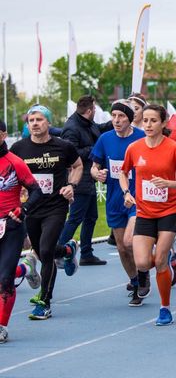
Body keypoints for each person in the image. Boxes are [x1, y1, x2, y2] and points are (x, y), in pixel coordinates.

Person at [10, 105, 83, 319]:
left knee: (46, 250)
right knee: (43, 253)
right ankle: (68, 250)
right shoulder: (19, 148)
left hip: (56, 206)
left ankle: (45, 302)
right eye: (31, 120)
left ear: (48, 122)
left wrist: (71, 186)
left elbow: (78, 166)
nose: (35, 123)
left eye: (39, 119)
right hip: (31, 208)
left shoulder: (63, 146)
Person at [120, 104, 176, 325]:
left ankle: (165, 308)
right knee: (143, 263)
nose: (148, 125)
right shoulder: (134, 148)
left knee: (160, 260)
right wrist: (126, 192)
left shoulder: (175, 149)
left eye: (153, 120)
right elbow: (123, 173)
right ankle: (168, 263)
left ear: (163, 123)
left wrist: (169, 184)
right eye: (145, 120)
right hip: (144, 212)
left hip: (169, 210)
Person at [90, 100, 147, 306]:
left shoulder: (141, 138)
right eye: (113, 116)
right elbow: (94, 167)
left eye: (121, 116)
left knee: (131, 242)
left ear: (129, 119)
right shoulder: (105, 139)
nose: (116, 120)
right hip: (115, 200)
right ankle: (135, 281)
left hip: (137, 198)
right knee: (122, 247)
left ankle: (143, 275)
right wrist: (97, 174)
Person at [0, 119, 43, 342]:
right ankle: (26, 269)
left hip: (10, 226)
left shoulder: (14, 162)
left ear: (3, 135)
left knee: (5, 279)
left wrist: (22, 209)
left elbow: (36, 191)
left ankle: (1, 326)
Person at [58, 95, 112, 266]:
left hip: (89, 177)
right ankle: (56, 251)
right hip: (79, 178)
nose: (95, 111)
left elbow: (99, 128)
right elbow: (69, 153)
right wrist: (94, 149)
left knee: (91, 217)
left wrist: (116, 121)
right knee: (75, 217)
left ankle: (86, 253)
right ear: (89, 111)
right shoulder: (72, 128)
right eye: (94, 109)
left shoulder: (87, 123)